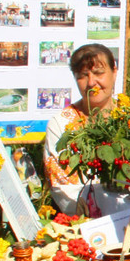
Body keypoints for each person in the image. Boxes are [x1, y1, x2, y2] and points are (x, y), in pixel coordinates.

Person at [42, 43, 119, 212]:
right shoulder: (61, 124)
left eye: (99, 73)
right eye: (83, 75)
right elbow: (61, 184)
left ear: (114, 72)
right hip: (86, 218)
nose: (92, 82)